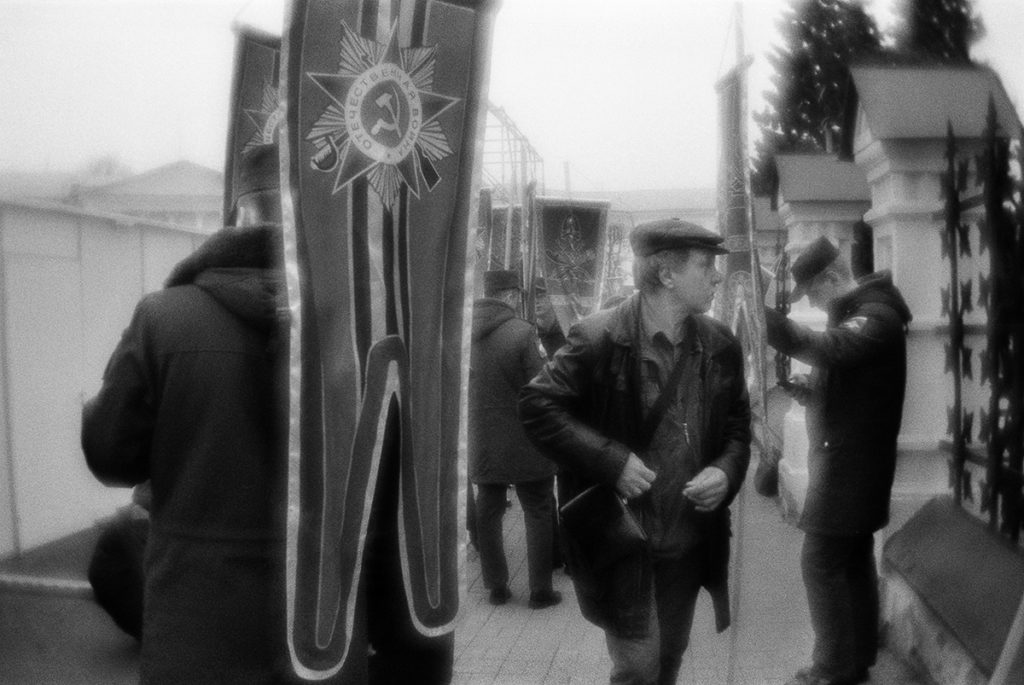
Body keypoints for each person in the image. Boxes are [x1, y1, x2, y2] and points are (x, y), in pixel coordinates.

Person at [81, 142, 295, 684]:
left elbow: (112, 458)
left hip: (195, 615)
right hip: (314, 620)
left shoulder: (163, 317)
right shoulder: (346, 323)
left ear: (239, 211)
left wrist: (96, 410)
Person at [519, 218, 751, 685]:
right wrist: (612, 461)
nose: (717, 276)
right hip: (625, 542)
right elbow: (536, 405)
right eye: (705, 266)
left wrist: (726, 472)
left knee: (670, 659)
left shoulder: (719, 344)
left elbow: (737, 428)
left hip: (688, 540)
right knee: (637, 668)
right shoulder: (599, 337)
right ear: (666, 274)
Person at [764, 236, 911, 685]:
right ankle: (859, 655)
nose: (812, 301)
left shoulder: (875, 316)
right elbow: (853, 385)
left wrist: (763, 319)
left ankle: (832, 669)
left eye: (812, 291)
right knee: (852, 561)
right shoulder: (858, 314)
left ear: (831, 277)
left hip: (852, 467)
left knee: (821, 562)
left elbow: (832, 351)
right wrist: (810, 392)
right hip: (853, 461)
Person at [470, 269, 562, 609]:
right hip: (525, 437)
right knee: (537, 508)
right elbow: (540, 388)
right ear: (510, 295)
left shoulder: (463, 332)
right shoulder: (523, 334)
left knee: (488, 508)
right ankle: (540, 590)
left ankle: (496, 586)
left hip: (483, 437)